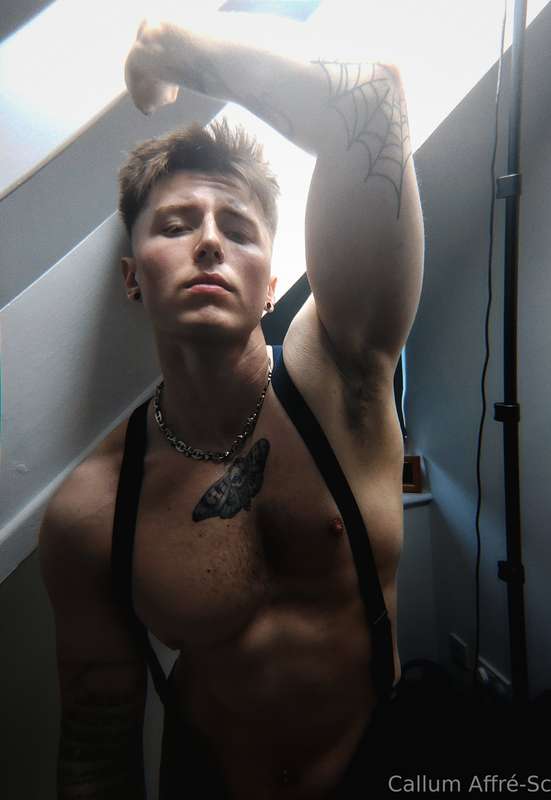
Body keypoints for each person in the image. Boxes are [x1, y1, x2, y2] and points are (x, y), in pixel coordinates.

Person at [38, 12, 424, 799]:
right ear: (133, 277)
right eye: (176, 225)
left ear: (272, 285)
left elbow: (372, 103)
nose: (209, 243)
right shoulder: (93, 510)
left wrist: (171, 51)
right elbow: (96, 739)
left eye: (239, 231)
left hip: (377, 769)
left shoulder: (341, 381)